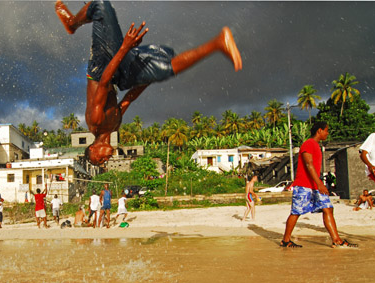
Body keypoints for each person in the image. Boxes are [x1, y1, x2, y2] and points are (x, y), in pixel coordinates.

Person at [55, 0, 242, 165]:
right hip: (117, 75)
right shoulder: (114, 125)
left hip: (101, 68)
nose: (106, 159)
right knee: (164, 65)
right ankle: (218, 44)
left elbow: (103, 82)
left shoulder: (95, 122)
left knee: (101, 5)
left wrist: (125, 47)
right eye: (104, 161)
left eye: (100, 158)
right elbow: (129, 98)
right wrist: (150, 79)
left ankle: (72, 23)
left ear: (93, 148)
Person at [280, 122, 357, 248]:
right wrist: (320, 183)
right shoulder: (309, 144)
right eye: (326, 130)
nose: (327, 133)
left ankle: (336, 240)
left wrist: (318, 184)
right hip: (304, 185)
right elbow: (309, 164)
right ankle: (286, 240)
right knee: (296, 212)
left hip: (315, 185)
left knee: (328, 208)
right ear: (319, 131)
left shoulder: (315, 145)